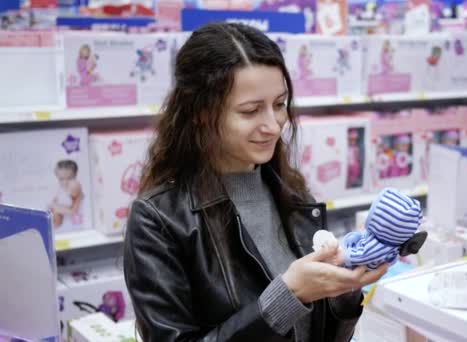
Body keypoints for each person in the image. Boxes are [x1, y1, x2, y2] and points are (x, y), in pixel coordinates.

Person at [123, 22, 388, 342]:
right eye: (250, 111)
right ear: (201, 114)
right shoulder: (159, 220)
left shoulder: (292, 194)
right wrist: (287, 296)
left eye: (279, 105)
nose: (274, 126)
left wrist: (343, 293)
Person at [50, 159, 84, 229]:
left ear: (75, 175)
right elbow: (52, 204)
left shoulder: (76, 190)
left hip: (74, 224)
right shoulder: (59, 190)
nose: (65, 182)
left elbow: (73, 211)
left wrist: (57, 208)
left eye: (69, 178)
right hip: (60, 225)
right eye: (61, 179)